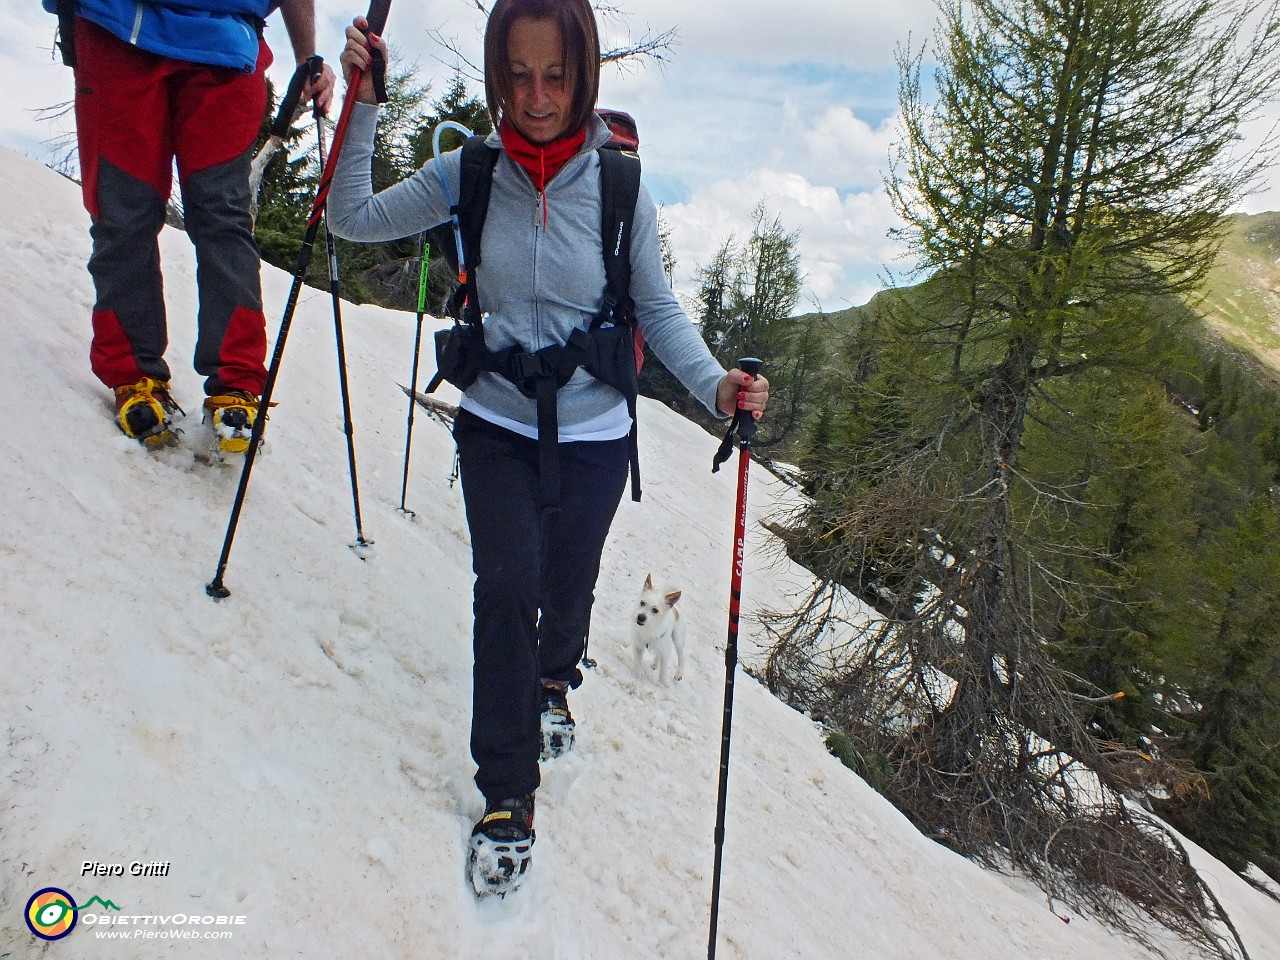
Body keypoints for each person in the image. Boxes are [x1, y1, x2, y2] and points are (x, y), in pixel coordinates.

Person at [332, 0, 769, 896]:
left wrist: (717, 385)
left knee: (565, 590)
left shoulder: (619, 189)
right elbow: (350, 218)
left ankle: (555, 682)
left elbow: (656, 308)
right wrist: (364, 103)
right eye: (519, 76)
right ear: (500, 75)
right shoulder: (468, 173)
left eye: (557, 77)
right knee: (505, 591)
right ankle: (507, 794)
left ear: (585, 78)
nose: (536, 98)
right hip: (494, 419)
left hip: (596, 434)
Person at [46, 0, 335, 449]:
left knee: (221, 219)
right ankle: (134, 375)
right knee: (126, 211)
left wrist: (306, 57)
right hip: (117, 25)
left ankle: (236, 383)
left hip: (224, 42)